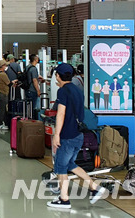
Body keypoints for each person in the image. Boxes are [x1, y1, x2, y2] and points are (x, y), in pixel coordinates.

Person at [47, 64, 106, 209]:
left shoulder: (62, 91)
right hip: (78, 134)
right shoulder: (77, 90)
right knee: (70, 164)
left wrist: (56, 135)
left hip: (67, 135)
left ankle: (64, 199)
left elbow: (61, 114)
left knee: (60, 167)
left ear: (58, 76)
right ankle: (94, 187)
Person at [0, 60, 14, 129]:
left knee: (0, 108)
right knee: (3, 109)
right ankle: (0, 123)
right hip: (3, 93)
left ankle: (0, 123)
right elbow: (8, 83)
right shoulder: (3, 74)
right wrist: (13, 82)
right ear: (3, 66)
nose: (6, 67)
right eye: (5, 65)